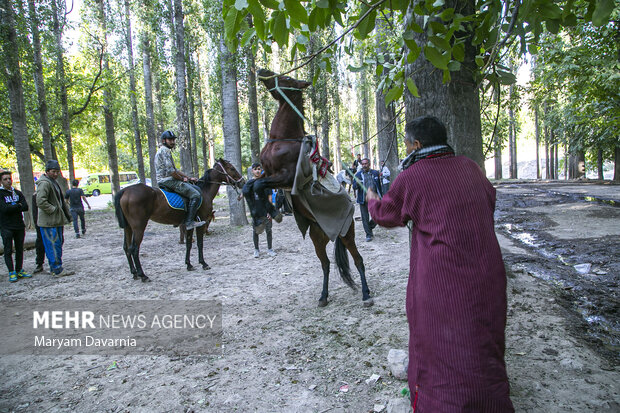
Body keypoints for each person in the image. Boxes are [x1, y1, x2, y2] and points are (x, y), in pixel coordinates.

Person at [366, 116, 513, 411]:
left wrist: (371, 199)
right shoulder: (470, 167)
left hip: (444, 280)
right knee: (483, 339)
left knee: (439, 343)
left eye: (407, 144)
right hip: (488, 272)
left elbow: (386, 215)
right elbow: (490, 200)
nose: (406, 149)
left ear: (417, 144)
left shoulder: (414, 176)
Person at [155, 130, 205, 230]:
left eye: (173, 140)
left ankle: (180, 217)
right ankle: (189, 222)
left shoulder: (164, 151)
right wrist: (182, 179)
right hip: (167, 180)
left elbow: (175, 170)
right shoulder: (165, 151)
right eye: (170, 140)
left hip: (165, 179)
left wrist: (189, 178)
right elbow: (171, 172)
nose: (172, 142)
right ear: (164, 140)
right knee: (195, 194)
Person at [36, 160, 74, 277]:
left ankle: (57, 266)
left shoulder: (52, 182)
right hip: (49, 222)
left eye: (57, 171)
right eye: (53, 171)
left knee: (57, 243)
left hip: (56, 220)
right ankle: (56, 269)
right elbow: (40, 201)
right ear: (47, 171)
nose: (56, 174)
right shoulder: (45, 183)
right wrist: (53, 210)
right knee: (53, 244)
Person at [0, 170, 31, 282]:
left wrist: (13, 206)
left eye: (9, 179)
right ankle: (11, 271)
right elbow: (4, 209)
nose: (8, 181)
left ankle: (19, 270)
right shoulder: (1, 194)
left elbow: (25, 206)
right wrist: (17, 205)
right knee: (8, 250)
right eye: (5, 179)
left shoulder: (17, 193)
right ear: (1, 182)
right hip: (6, 226)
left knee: (19, 249)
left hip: (19, 225)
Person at [243, 163, 276, 258]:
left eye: (259, 169)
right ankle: (256, 250)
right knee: (256, 231)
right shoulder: (250, 183)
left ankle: (270, 249)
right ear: (252, 171)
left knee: (269, 230)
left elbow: (270, 197)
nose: (257, 171)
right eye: (255, 169)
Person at [352, 158, 382, 242]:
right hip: (363, 199)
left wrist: (381, 196)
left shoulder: (375, 173)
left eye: (366, 164)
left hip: (374, 198)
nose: (364, 165)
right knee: (365, 217)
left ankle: (369, 226)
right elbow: (354, 187)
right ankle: (368, 234)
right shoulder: (358, 175)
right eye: (363, 164)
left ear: (369, 164)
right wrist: (357, 183)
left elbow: (379, 186)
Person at [31, 192, 46, 273]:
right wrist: (37, 223)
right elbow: (34, 212)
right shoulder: (35, 195)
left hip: (53, 221)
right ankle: (39, 263)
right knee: (40, 243)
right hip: (40, 222)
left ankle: (56, 264)